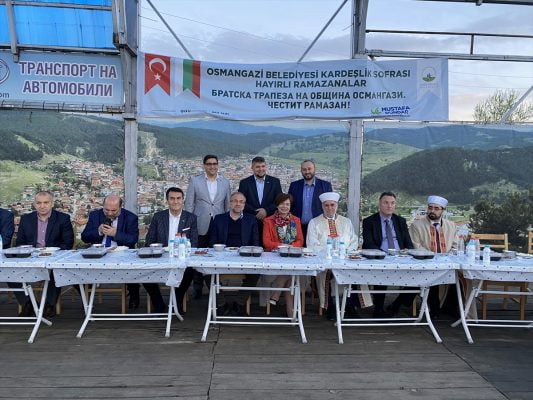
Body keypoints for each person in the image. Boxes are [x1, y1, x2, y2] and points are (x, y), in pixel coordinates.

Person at [81, 194, 166, 313]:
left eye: (113, 210)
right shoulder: (95, 215)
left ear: (121, 207)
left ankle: (141, 296)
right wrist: (98, 231)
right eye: (107, 210)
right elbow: (84, 237)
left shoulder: (130, 217)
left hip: (123, 254)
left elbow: (132, 240)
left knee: (144, 270)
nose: (109, 213)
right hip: (99, 255)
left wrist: (115, 234)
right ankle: (87, 301)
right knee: (76, 271)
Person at [14, 191, 74, 318]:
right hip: (31, 257)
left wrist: (50, 252)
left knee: (55, 270)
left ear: (52, 203)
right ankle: (27, 303)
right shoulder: (26, 219)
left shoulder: (63, 218)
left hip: (54, 257)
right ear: (34, 204)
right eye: (39, 203)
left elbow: (68, 243)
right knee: (10, 270)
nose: (42, 206)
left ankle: (49, 305)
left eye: (46, 202)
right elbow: (19, 243)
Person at [146, 187, 198, 314]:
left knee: (189, 271)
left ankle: (177, 302)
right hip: (161, 256)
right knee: (144, 272)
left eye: (178, 198)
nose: (175, 201)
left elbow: (194, 243)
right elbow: (149, 240)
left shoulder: (191, 218)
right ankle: (158, 304)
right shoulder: (158, 217)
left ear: (183, 200)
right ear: (167, 200)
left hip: (182, 256)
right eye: (172, 198)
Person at [306, 192, 358, 319]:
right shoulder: (314, 222)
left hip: (344, 259)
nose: (330, 208)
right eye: (327, 205)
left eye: (332, 205)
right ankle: (329, 307)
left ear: (337, 205)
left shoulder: (346, 222)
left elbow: (354, 241)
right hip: (324, 261)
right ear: (322, 206)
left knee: (355, 272)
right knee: (326, 273)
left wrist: (344, 252)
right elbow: (312, 244)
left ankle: (350, 307)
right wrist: (329, 253)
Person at [185, 155, 230, 298]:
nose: (212, 166)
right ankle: (197, 286)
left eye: (214, 163)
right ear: (204, 165)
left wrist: (226, 223)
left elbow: (227, 205)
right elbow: (189, 204)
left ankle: (216, 284)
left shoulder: (225, 182)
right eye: (209, 164)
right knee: (198, 254)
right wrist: (189, 224)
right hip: (200, 223)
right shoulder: (195, 181)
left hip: (218, 223)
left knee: (217, 254)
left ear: (218, 165)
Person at [362, 191, 414, 317]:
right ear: (379, 204)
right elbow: (368, 244)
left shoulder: (400, 221)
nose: (389, 206)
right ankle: (378, 310)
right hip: (380, 258)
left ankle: (396, 305)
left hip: (400, 258)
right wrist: (384, 255)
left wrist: (405, 253)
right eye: (386, 203)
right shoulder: (369, 221)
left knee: (419, 276)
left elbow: (408, 243)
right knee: (381, 273)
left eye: (392, 203)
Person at [409, 195, 460, 318]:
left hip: (447, 262)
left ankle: (451, 309)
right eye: (430, 208)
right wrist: (433, 258)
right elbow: (416, 246)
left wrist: (447, 257)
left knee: (460, 276)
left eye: (436, 208)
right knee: (432, 274)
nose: (432, 211)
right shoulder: (417, 225)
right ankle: (434, 310)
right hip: (426, 262)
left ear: (443, 210)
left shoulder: (451, 225)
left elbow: (456, 246)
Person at [209, 192, 260, 316]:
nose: (238, 204)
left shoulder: (251, 219)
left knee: (256, 272)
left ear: (244, 204)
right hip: (222, 256)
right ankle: (221, 303)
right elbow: (212, 241)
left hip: (244, 256)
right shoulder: (219, 218)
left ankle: (239, 303)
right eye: (235, 201)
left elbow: (255, 242)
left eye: (241, 202)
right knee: (206, 272)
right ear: (230, 203)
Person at [262, 193, 304, 317]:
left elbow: (300, 240)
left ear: (290, 206)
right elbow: (266, 242)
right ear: (277, 205)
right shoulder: (268, 221)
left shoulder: (296, 220)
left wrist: (291, 247)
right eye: (282, 204)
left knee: (290, 272)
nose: (284, 206)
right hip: (274, 258)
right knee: (291, 274)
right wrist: (283, 246)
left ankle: (276, 295)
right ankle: (293, 316)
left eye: (287, 204)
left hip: (292, 257)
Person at [237, 156, 282, 241]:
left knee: (269, 246)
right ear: (252, 168)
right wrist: (257, 212)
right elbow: (241, 202)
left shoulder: (275, 182)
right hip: (251, 221)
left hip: (270, 221)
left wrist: (266, 211)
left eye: (263, 166)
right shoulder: (244, 183)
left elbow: (279, 201)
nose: (261, 169)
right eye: (257, 167)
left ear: (266, 167)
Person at [288, 160, 332, 242]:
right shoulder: (294, 186)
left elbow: (330, 207)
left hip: (318, 228)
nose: (307, 171)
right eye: (304, 169)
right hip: (298, 228)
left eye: (309, 169)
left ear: (315, 169)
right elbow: (289, 205)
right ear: (301, 171)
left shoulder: (325, 186)